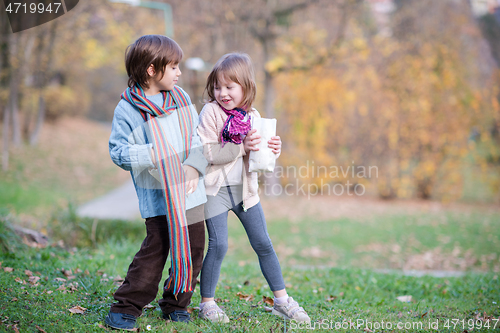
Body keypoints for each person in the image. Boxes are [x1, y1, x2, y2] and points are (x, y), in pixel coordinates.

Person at [196, 52, 311, 324]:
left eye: (229, 86)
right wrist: (241, 147)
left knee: (263, 243)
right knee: (219, 244)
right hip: (216, 190)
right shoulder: (210, 112)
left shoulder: (253, 116)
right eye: (217, 86)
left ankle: (282, 301)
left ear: (246, 87)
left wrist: (273, 149)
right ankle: (207, 303)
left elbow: (258, 157)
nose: (222, 93)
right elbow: (207, 152)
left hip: (245, 191)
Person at [105, 34, 207, 330]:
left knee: (194, 248)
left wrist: (194, 166)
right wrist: (154, 153)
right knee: (156, 248)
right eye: (173, 67)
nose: (179, 73)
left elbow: (197, 137)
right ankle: (127, 305)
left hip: (190, 192)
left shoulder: (181, 98)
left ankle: (176, 302)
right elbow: (118, 151)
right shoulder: (128, 109)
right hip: (157, 196)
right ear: (152, 69)